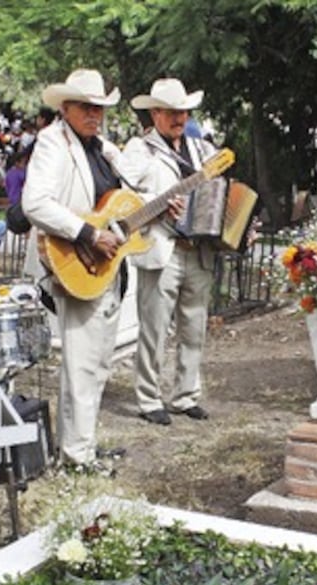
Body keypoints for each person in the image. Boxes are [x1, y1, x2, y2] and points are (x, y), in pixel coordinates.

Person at [22, 69, 136, 467]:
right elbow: (34, 203)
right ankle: (75, 456)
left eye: (99, 107)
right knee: (82, 364)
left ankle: (81, 444)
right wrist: (87, 233)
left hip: (104, 267)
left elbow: (125, 201)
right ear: (65, 107)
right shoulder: (53, 143)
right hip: (79, 261)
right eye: (86, 107)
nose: (95, 114)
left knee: (97, 362)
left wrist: (158, 204)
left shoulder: (101, 148)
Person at [124, 78, 217, 425]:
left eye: (184, 111)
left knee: (195, 326)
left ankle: (186, 394)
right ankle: (149, 399)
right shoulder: (138, 149)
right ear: (155, 113)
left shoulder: (203, 149)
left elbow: (218, 193)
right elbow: (125, 199)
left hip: (198, 248)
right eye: (173, 112)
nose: (180, 118)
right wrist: (158, 205)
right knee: (154, 328)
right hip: (161, 247)